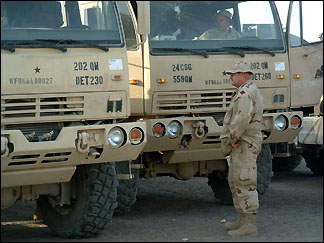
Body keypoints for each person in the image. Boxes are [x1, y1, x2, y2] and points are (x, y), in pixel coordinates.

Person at [220, 61, 263, 236]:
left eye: (233, 74)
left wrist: (232, 138)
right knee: (236, 180)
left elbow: (242, 118)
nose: (230, 76)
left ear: (243, 74)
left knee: (245, 181)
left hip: (244, 143)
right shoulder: (248, 90)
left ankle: (249, 225)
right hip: (244, 142)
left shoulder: (245, 93)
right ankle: (243, 219)